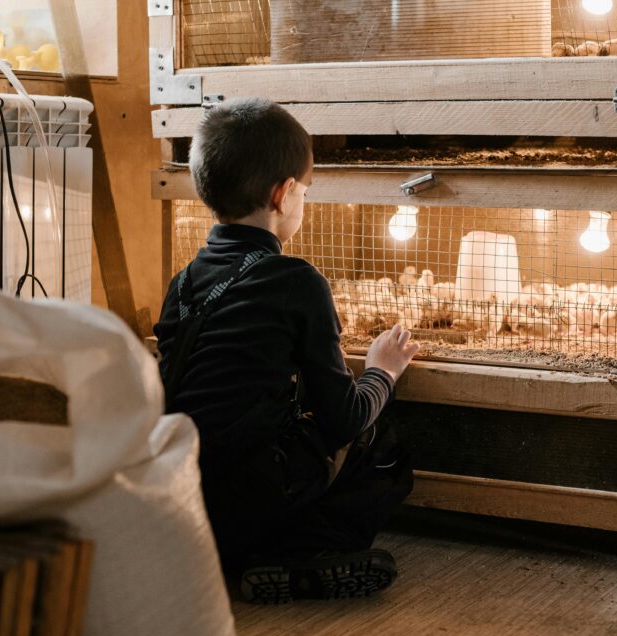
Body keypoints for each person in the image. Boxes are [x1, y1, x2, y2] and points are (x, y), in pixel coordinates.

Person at [153, 97, 419, 604]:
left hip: (179, 497)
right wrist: (381, 370)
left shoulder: (183, 282)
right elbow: (345, 419)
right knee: (382, 445)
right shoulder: (296, 281)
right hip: (251, 498)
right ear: (283, 194)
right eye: (307, 189)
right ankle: (303, 551)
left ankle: (242, 550)